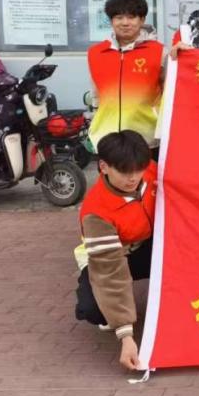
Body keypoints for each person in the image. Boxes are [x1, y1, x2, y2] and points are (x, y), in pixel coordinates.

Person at [74, 131, 157, 372]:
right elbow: (111, 274)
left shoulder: (150, 170)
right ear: (104, 167)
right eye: (125, 172)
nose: (133, 178)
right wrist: (126, 335)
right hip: (114, 255)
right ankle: (113, 317)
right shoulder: (96, 212)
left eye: (139, 169)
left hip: (150, 242)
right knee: (93, 309)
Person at [87, 0, 164, 149]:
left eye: (131, 17)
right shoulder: (96, 53)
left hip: (146, 138)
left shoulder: (160, 52)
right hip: (106, 137)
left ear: (142, 20)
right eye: (119, 17)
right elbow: (96, 94)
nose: (125, 23)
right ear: (111, 21)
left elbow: (168, 94)